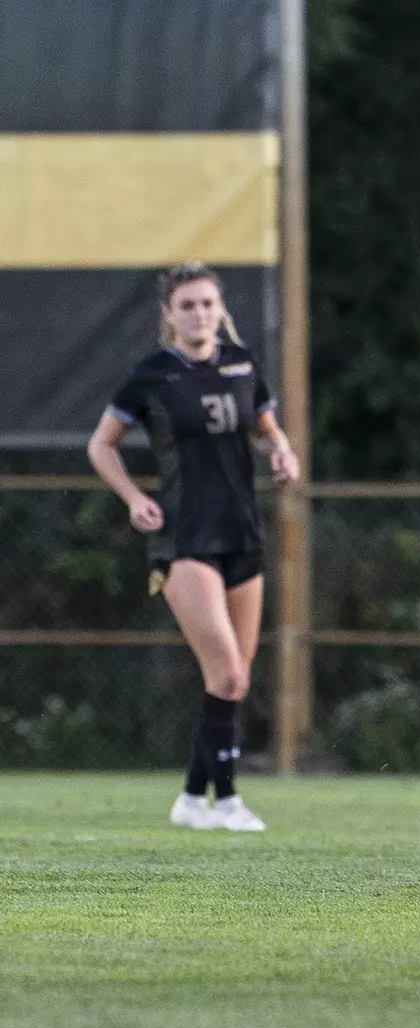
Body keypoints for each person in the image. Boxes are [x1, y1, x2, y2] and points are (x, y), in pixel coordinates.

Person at [87, 263, 300, 832]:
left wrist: (282, 451)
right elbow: (101, 445)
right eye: (187, 305)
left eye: (207, 303)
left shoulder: (242, 363)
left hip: (242, 532)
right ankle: (225, 800)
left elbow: (266, 428)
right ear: (169, 314)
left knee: (233, 678)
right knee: (227, 674)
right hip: (184, 537)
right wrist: (133, 496)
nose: (199, 313)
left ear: (219, 307)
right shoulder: (153, 375)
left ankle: (189, 798)